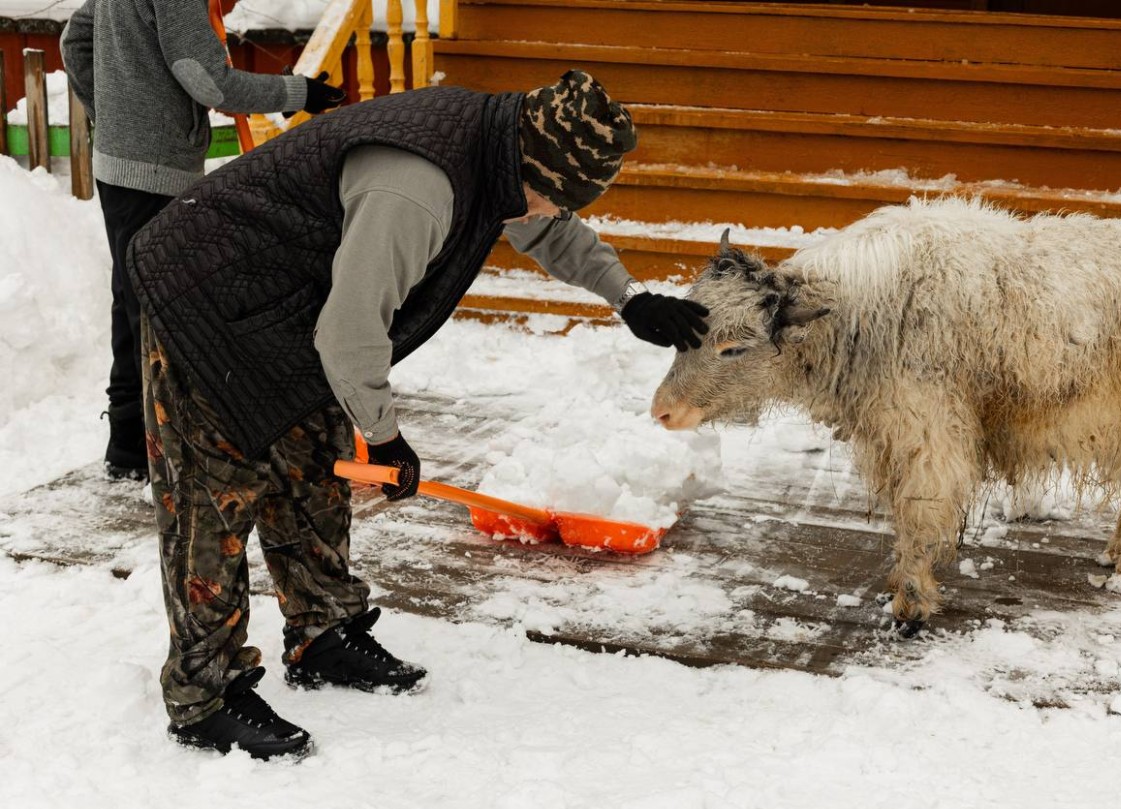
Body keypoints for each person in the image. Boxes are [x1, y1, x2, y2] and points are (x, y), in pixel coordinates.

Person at [126, 69, 710, 760]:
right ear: (531, 168)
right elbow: (349, 334)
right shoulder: (419, 187)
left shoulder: (500, 147)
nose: (551, 216)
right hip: (205, 296)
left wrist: (628, 296)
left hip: (281, 303)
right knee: (214, 496)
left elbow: (545, 227)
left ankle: (324, 633)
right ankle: (205, 694)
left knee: (311, 464)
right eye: (552, 200)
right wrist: (385, 439)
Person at [60, 0, 347, 480]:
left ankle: (131, 446)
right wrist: (299, 92)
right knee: (157, 311)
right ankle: (154, 450)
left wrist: (111, 118)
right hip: (154, 171)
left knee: (132, 301)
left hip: (119, 165)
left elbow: (75, 42)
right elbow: (209, 81)